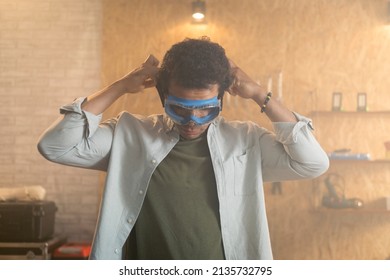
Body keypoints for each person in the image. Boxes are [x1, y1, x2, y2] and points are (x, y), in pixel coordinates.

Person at [37, 37, 329, 260]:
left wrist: (259, 94)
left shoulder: (245, 141)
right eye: (179, 108)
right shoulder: (128, 135)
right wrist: (121, 86)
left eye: (205, 109)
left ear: (221, 101)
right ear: (163, 98)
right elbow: (55, 146)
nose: (192, 121)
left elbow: (313, 162)